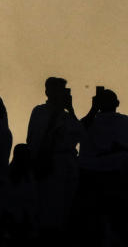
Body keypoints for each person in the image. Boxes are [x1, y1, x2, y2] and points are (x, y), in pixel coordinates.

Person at [26, 76, 84, 229]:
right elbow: (32, 138)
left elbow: (78, 135)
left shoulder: (66, 116)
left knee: (62, 208)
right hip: (42, 163)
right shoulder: (39, 112)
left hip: (63, 165)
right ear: (47, 92)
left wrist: (70, 109)